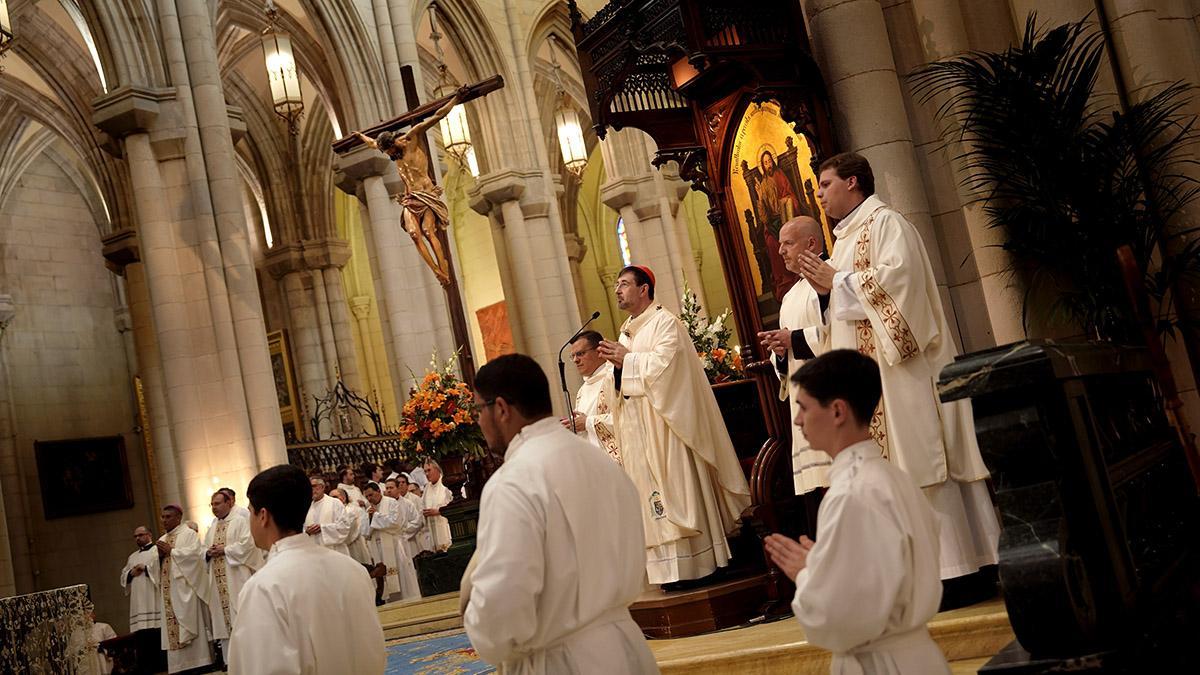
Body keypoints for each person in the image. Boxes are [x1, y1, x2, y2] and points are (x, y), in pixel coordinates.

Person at [797, 152, 999, 586]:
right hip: (870, 383)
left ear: (853, 182)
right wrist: (828, 292)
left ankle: (958, 568)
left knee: (919, 462)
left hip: (899, 373)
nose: (820, 195)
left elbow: (901, 287)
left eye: (825, 184)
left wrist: (836, 283)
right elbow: (844, 312)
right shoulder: (845, 239)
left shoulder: (887, 224)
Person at [463, 354, 657, 673]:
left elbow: (502, 603)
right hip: (627, 648)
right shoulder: (604, 464)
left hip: (561, 661)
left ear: (501, 409)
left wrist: (479, 626)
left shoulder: (513, 482)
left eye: (478, 411)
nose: (478, 423)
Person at [765, 350, 950, 674]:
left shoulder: (851, 493)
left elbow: (845, 619)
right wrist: (826, 568)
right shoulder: (893, 478)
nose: (797, 420)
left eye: (804, 407)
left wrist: (807, 575)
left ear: (837, 411)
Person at [597, 265, 752, 587]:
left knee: (676, 490)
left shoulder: (665, 323)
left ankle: (697, 565)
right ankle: (666, 572)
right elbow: (619, 383)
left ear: (644, 289)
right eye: (616, 285)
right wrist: (618, 369)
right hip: (638, 429)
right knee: (650, 498)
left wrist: (627, 360)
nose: (617, 290)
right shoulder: (627, 332)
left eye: (624, 284)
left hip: (668, 426)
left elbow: (669, 370)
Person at [227, 464, 385, 673]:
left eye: (250, 513)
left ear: (263, 516)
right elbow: (374, 648)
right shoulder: (354, 570)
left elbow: (262, 667)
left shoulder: (264, 587)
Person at [352, 86, 469, 287]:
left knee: (428, 231)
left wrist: (456, 99)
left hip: (426, 194)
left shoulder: (412, 139)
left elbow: (436, 116)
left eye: (389, 151)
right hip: (410, 197)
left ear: (393, 143)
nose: (390, 156)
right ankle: (436, 272)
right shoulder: (390, 150)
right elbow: (372, 143)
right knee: (414, 234)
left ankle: (443, 267)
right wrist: (360, 136)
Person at [758, 216, 834, 496]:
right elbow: (787, 356)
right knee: (824, 488)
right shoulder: (790, 296)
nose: (780, 251)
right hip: (804, 399)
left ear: (811, 243)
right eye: (780, 244)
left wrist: (794, 340)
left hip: (831, 394)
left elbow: (839, 331)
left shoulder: (832, 277)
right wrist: (780, 352)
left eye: (788, 243)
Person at [155, 504, 214, 673]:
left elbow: (195, 556)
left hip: (185, 589)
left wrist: (172, 552)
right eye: (163, 517)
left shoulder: (188, 534)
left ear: (178, 517)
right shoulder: (162, 538)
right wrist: (158, 557)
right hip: (169, 591)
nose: (164, 520)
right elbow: (153, 566)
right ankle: (178, 666)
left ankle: (199, 662)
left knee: (189, 623)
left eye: (168, 517)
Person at [204, 490, 261, 657]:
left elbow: (248, 545)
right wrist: (207, 553)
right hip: (218, 582)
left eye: (217, 503)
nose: (214, 508)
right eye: (212, 504)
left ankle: (250, 656)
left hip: (236, 577)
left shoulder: (240, 521)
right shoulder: (212, 526)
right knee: (223, 621)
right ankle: (230, 660)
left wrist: (225, 550)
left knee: (241, 615)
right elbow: (203, 549)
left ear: (229, 503)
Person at [562, 329, 621, 464]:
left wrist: (588, 422)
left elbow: (628, 418)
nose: (576, 360)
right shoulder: (582, 391)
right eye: (573, 356)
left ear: (599, 351)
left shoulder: (615, 376)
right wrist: (573, 425)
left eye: (580, 354)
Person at [364, 480, 422, 601]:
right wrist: (369, 518)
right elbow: (365, 532)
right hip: (378, 547)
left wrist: (376, 516)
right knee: (383, 574)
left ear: (379, 491)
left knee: (400, 574)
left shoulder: (392, 503)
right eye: (367, 496)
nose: (369, 499)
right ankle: (389, 600)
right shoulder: (369, 509)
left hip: (393, 545)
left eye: (371, 495)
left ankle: (406, 598)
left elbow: (395, 523)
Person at [119, 526, 162, 670]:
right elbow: (123, 576)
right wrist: (131, 573)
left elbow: (161, 570)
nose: (137, 538)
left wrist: (146, 568)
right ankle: (146, 667)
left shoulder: (156, 551)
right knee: (142, 635)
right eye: (135, 536)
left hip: (153, 598)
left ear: (149, 534)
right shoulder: (132, 557)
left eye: (141, 535)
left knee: (156, 632)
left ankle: (160, 665)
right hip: (138, 601)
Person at [304, 473, 350, 556]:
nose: (311, 489)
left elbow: (344, 526)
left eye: (314, 486)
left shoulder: (335, 503)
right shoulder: (307, 507)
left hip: (334, 551)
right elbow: (302, 529)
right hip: (314, 552)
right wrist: (307, 532)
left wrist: (322, 528)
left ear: (322, 487)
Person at [331, 487, 372, 567]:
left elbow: (347, 534)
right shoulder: (336, 512)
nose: (332, 500)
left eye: (335, 497)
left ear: (343, 498)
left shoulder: (350, 511)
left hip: (354, 547)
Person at [420, 459, 454, 552]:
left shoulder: (446, 484)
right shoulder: (427, 488)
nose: (427, 474)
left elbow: (453, 505)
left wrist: (439, 511)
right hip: (432, 531)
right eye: (425, 471)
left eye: (429, 470)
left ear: (437, 469)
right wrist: (424, 513)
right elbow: (422, 506)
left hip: (446, 528)